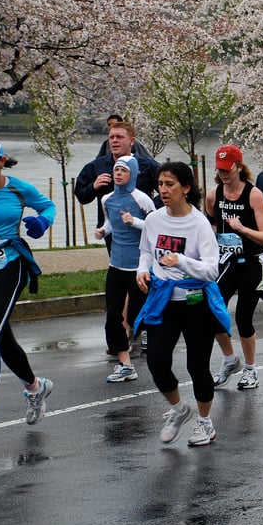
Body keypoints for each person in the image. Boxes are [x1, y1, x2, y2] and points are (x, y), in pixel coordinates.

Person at [135, 161, 229, 447]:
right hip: (163, 301)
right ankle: (178, 409)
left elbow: (212, 270)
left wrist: (182, 262)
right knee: (157, 362)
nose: (163, 190)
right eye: (160, 184)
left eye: (170, 184)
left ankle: (205, 423)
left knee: (197, 366)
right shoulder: (153, 219)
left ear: (186, 188)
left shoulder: (199, 223)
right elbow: (146, 252)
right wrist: (143, 270)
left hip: (195, 301)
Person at [0, 138, 56, 440]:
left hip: (10, 263)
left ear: (2, 160)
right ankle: (36, 387)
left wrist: (43, 222)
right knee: (2, 340)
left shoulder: (19, 189)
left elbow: (48, 205)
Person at [205, 145, 263, 391]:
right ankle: (229, 360)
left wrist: (242, 229)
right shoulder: (214, 194)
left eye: (228, 169)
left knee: (244, 317)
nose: (223, 174)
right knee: (212, 312)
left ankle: (251, 369)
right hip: (226, 263)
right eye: (220, 170)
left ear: (238, 166)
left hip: (252, 263)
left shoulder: (253, 195)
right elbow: (211, 223)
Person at [95, 155, 155, 382]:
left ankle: (145, 333)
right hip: (116, 263)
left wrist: (135, 222)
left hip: (139, 265)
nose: (118, 173)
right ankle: (125, 363)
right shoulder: (107, 199)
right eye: (116, 170)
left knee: (135, 314)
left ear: (132, 174)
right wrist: (103, 231)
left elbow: (154, 227)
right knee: (113, 314)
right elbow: (111, 222)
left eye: (123, 170)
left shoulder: (143, 200)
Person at [75, 122, 160, 248]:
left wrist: (149, 206)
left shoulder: (147, 165)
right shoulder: (96, 166)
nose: (114, 141)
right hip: (111, 229)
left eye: (119, 137)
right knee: (117, 264)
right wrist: (93, 186)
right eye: (111, 137)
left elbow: (168, 191)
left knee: (143, 264)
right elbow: (81, 196)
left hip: (142, 227)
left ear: (132, 141)